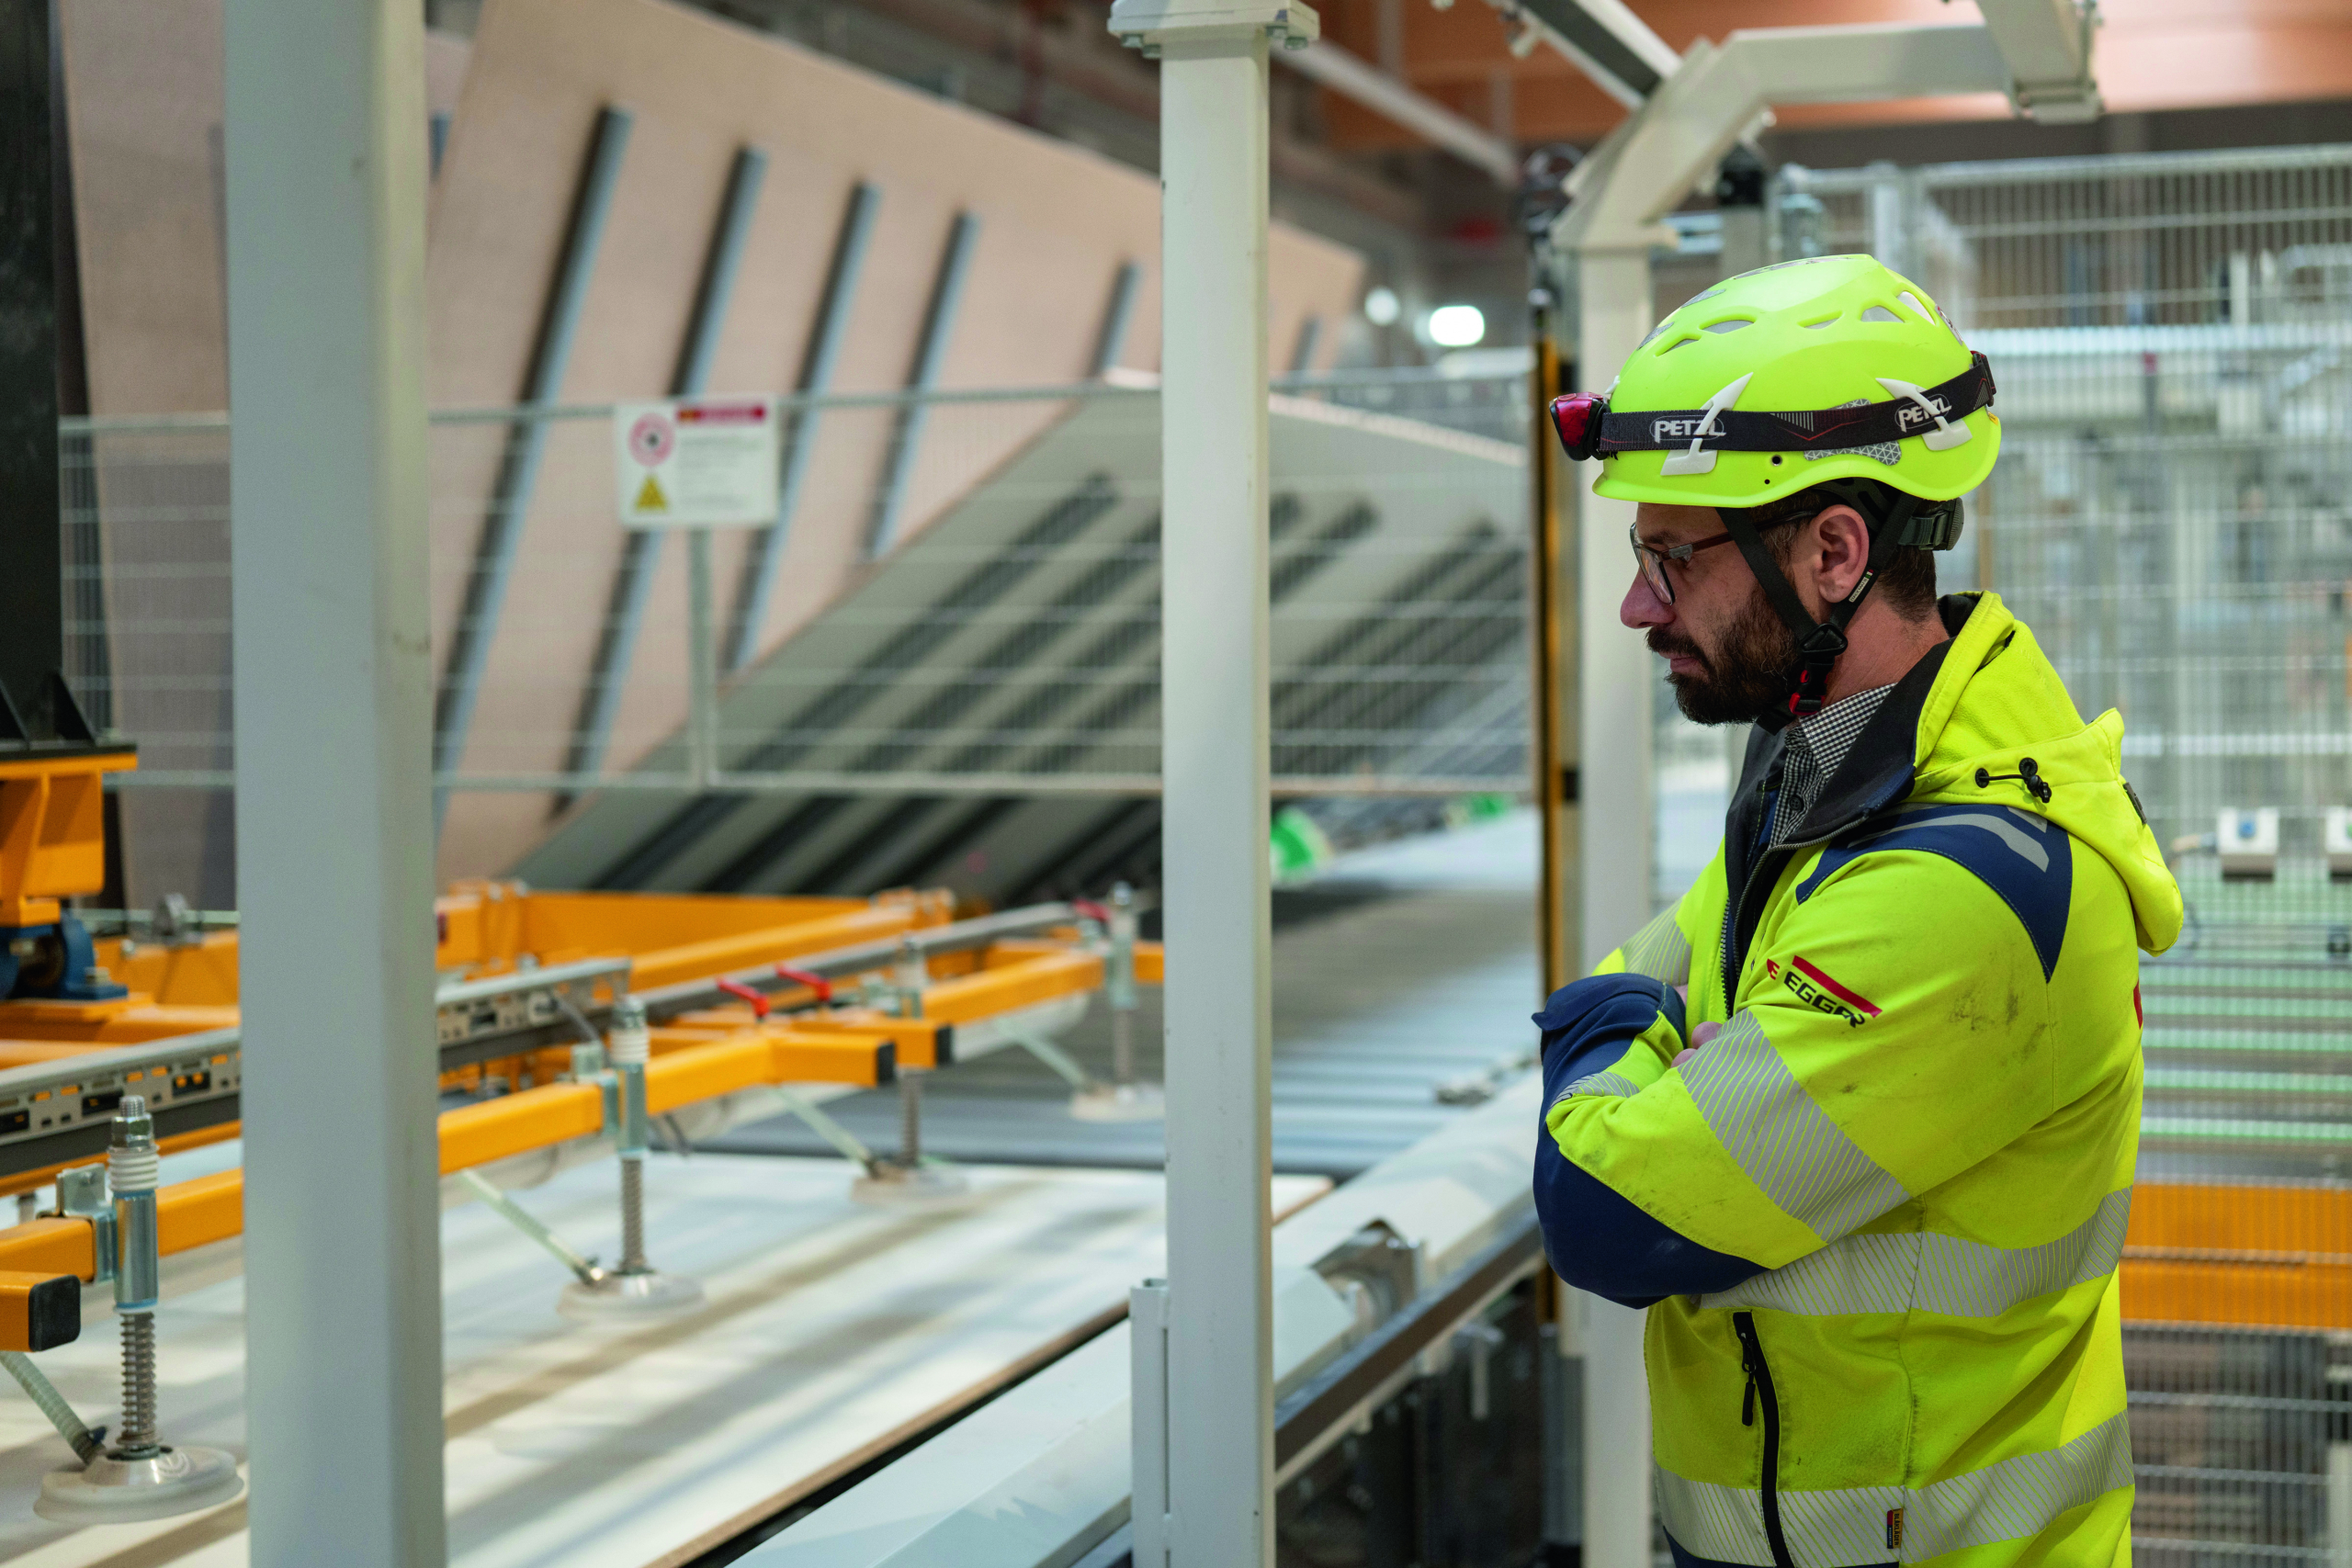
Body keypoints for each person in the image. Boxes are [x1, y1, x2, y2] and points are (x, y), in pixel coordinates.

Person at [1532, 254, 2181, 1568]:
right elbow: (1618, 988)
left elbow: (1602, 1206)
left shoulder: (1972, 891)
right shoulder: (1813, 781)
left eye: (1672, 554)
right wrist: (1652, 1033)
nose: (1637, 604)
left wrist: (1642, 1040)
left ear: (1833, 551)